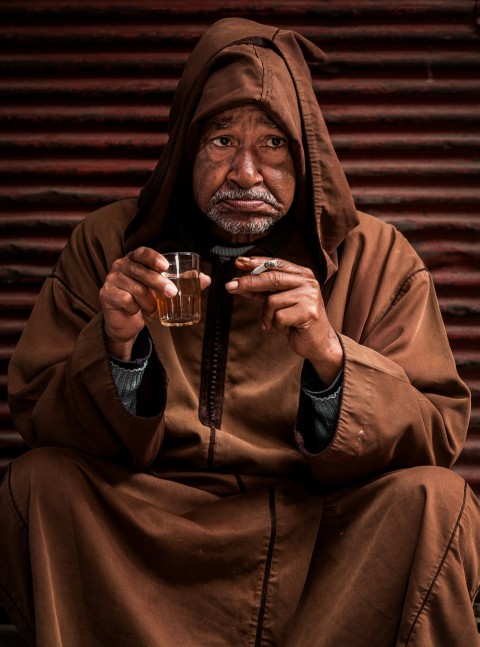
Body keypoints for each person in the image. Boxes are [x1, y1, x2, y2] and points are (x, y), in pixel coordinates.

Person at [0, 17, 479, 647]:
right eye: (222, 141)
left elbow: (437, 432)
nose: (247, 174)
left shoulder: (376, 256)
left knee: (436, 500)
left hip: (318, 544)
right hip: (147, 531)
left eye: (275, 145)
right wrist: (117, 348)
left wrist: (332, 359)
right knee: (38, 482)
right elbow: (39, 409)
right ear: (185, 150)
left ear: (307, 154)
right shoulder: (113, 245)